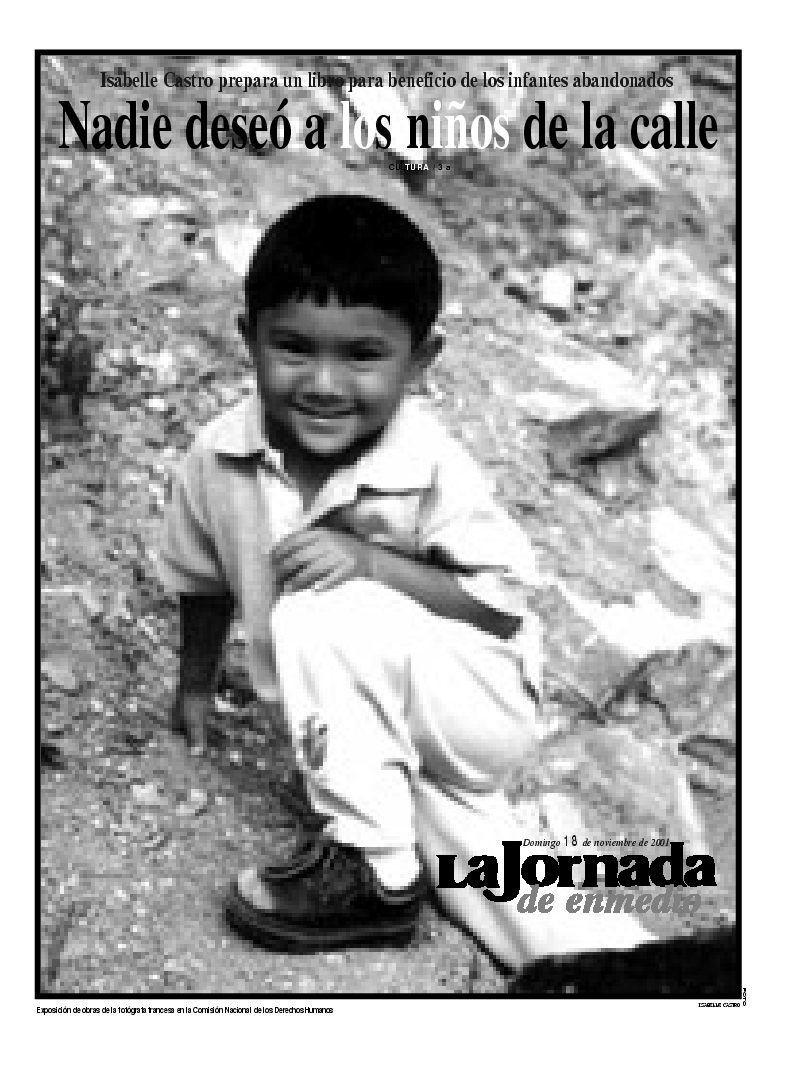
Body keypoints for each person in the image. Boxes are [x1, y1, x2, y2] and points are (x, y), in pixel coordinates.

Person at [159, 192, 693, 979]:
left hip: (474, 702)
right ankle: (634, 977)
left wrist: (375, 565)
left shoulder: (430, 465)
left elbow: (499, 612)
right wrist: (195, 686)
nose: (324, 383)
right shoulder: (216, 458)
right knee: (464, 852)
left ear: (420, 359)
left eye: (363, 355)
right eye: (293, 347)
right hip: (372, 719)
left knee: (320, 604)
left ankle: (375, 879)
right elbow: (203, 580)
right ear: (249, 338)